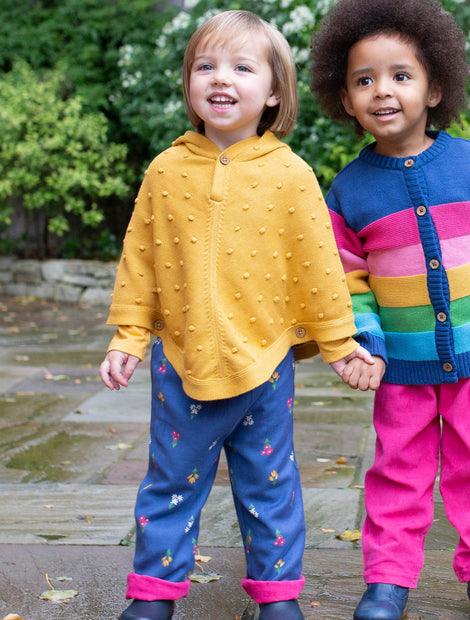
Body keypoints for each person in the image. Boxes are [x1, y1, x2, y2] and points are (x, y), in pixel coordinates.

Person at [100, 10, 373, 620]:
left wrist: (339, 342)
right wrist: (129, 335)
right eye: (206, 66)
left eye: (242, 67)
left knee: (270, 488)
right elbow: (142, 259)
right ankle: (153, 596)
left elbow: (317, 265)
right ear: (189, 84)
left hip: (267, 362)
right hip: (182, 360)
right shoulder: (165, 171)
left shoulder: (291, 174)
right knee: (169, 487)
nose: (221, 78)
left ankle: (278, 598)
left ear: (274, 91)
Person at [310, 0, 470, 618]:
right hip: (401, 365)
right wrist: (366, 340)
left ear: (435, 87)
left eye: (401, 75)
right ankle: (389, 581)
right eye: (364, 79)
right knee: (398, 475)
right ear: (344, 99)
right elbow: (349, 279)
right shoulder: (348, 192)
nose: (383, 91)